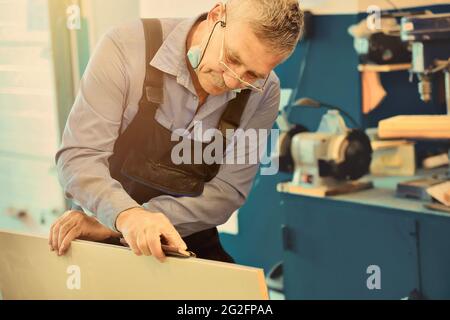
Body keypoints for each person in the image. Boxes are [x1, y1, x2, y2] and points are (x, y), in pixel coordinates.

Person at [49, 0, 304, 262]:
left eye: (251, 75)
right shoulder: (125, 47)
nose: (231, 81)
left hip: (184, 239)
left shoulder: (265, 93)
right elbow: (79, 157)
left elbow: (227, 191)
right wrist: (122, 216)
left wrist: (136, 220)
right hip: (100, 225)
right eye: (231, 58)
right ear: (216, 15)